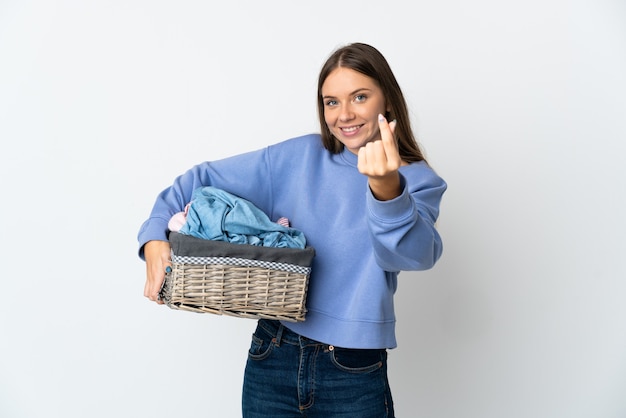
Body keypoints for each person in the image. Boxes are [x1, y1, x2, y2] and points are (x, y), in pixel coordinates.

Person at [138, 42, 447, 417]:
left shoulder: (417, 181)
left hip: (353, 369)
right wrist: (155, 237)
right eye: (331, 101)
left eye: (359, 97)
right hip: (273, 353)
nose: (344, 114)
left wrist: (386, 188)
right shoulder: (298, 157)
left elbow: (413, 255)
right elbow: (198, 180)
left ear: (388, 101)